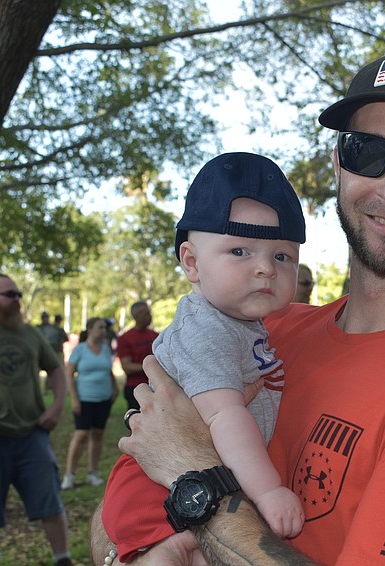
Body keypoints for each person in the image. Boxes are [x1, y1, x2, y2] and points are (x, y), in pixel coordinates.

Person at [92, 45, 385, 566]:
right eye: (369, 151)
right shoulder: (261, 329)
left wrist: (195, 478)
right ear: (339, 162)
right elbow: (113, 509)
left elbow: (172, 456)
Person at [150, 151, 307, 539]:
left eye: (282, 255)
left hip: (203, 479)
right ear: (191, 263)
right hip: (160, 498)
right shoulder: (205, 329)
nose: (265, 268)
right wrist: (268, 491)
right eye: (239, 251)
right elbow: (224, 417)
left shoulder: (243, 325)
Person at [0, 275, 73, 566]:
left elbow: (55, 370)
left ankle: (62, 559)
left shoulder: (30, 333)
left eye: (18, 294)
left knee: (50, 500)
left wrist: (57, 408)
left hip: (31, 434)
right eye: (9, 294)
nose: (17, 300)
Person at [61, 316, 119, 490]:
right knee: (81, 435)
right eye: (100, 327)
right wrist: (74, 398)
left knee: (98, 435)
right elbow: (69, 374)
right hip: (85, 399)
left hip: (104, 398)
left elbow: (108, 370)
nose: (104, 331)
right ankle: (69, 475)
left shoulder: (105, 348)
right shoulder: (80, 349)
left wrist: (114, 387)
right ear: (90, 329)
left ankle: (92, 473)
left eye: (104, 328)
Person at [115, 301, 159, 410]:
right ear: (136, 316)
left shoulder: (157, 336)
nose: (150, 317)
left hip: (156, 384)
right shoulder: (125, 338)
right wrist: (153, 367)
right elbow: (127, 367)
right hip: (135, 387)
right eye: (146, 314)